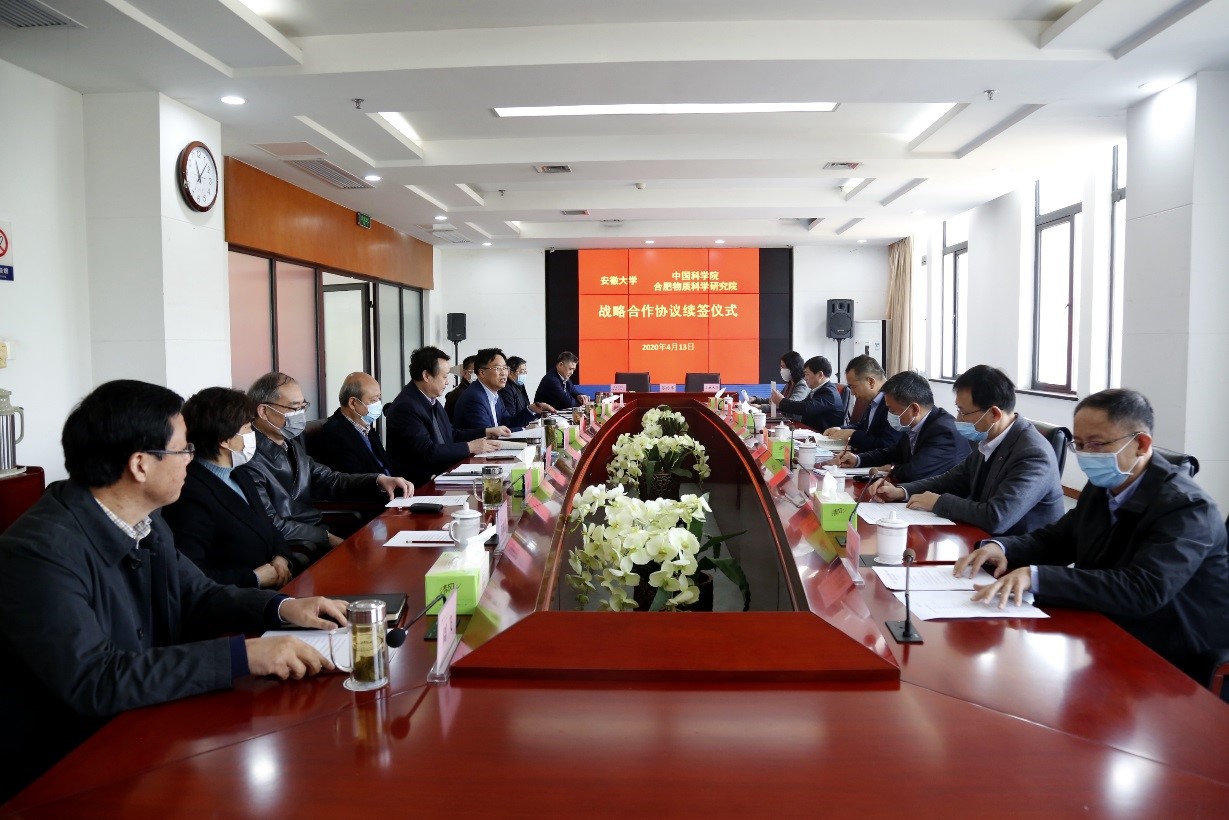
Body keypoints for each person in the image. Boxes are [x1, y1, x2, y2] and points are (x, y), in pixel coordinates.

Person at [0, 380, 351, 801]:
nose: (191, 459)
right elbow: (96, 678)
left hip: (149, 723)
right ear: (140, 465)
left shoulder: (147, 521)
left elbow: (200, 594)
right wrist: (243, 656)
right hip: (68, 768)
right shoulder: (39, 553)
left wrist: (284, 608)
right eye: (183, 450)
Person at [956, 389, 1229, 682]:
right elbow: (1058, 540)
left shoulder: (1187, 507)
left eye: (1097, 444)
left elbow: (1143, 589)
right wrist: (1002, 548)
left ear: (1141, 444)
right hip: (1104, 624)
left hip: (1170, 654)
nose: (1086, 454)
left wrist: (1036, 577)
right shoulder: (1105, 485)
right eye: (1080, 444)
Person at [868, 365, 1065, 536]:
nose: (958, 419)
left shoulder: (1033, 454)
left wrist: (938, 502)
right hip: (983, 539)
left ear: (994, 414)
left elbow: (996, 516)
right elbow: (952, 479)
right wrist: (901, 492)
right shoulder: (990, 440)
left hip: (1016, 555)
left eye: (963, 412)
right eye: (958, 410)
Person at [241, 372, 412, 564]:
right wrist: (326, 537)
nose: (300, 414)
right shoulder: (248, 457)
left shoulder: (289, 443)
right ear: (264, 411)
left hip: (318, 532)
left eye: (303, 406)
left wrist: (378, 480)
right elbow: (271, 522)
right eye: (294, 408)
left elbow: (330, 479)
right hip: (298, 544)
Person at [162, 387, 296, 588]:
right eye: (248, 428)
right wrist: (253, 578)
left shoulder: (240, 474)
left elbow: (267, 525)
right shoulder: (190, 494)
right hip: (237, 600)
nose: (253, 433)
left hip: (271, 590)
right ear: (224, 440)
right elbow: (192, 574)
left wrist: (281, 557)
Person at [385, 346, 510, 486]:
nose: (447, 382)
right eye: (444, 376)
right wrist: (470, 447)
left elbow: (451, 435)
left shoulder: (431, 401)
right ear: (426, 376)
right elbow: (426, 452)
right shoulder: (406, 407)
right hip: (420, 484)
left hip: (442, 474)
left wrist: (486, 432)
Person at [834, 371, 969, 483]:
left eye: (892, 411)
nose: (889, 415)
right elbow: (893, 452)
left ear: (914, 409)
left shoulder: (943, 431)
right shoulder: (914, 424)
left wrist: (892, 468)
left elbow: (914, 473)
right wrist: (858, 459)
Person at [314, 372, 396, 477]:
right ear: (353, 403)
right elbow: (354, 480)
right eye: (373, 400)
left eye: (378, 398)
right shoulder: (335, 434)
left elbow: (384, 465)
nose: (378, 404)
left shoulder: (365, 427)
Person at [455, 347, 556, 431]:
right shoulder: (475, 397)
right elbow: (487, 434)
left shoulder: (494, 394)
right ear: (482, 373)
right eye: (497, 368)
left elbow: (508, 423)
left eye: (505, 368)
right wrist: (526, 430)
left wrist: (531, 409)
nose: (503, 373)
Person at [822, 355, 903, 452]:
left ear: (870, 382)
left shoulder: (894, 402)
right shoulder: (874, 400)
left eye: (854, 387)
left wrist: (853, 435)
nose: (852, 393)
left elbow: (887, 445)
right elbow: (865, 426)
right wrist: (841, 429)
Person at [770, 355, 844, 431]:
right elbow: (802, 404)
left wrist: (782, 401)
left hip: (824, 435)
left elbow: (805, 408)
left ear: (820, 375)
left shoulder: (829, 392)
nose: (805, 378)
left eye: (807, 374)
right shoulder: (817, 390)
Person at [444, 354, 477, 420]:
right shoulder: (462, 395)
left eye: (482, 371)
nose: (480, 375)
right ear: (464, 373)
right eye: (475, 372)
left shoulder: (472, 391)